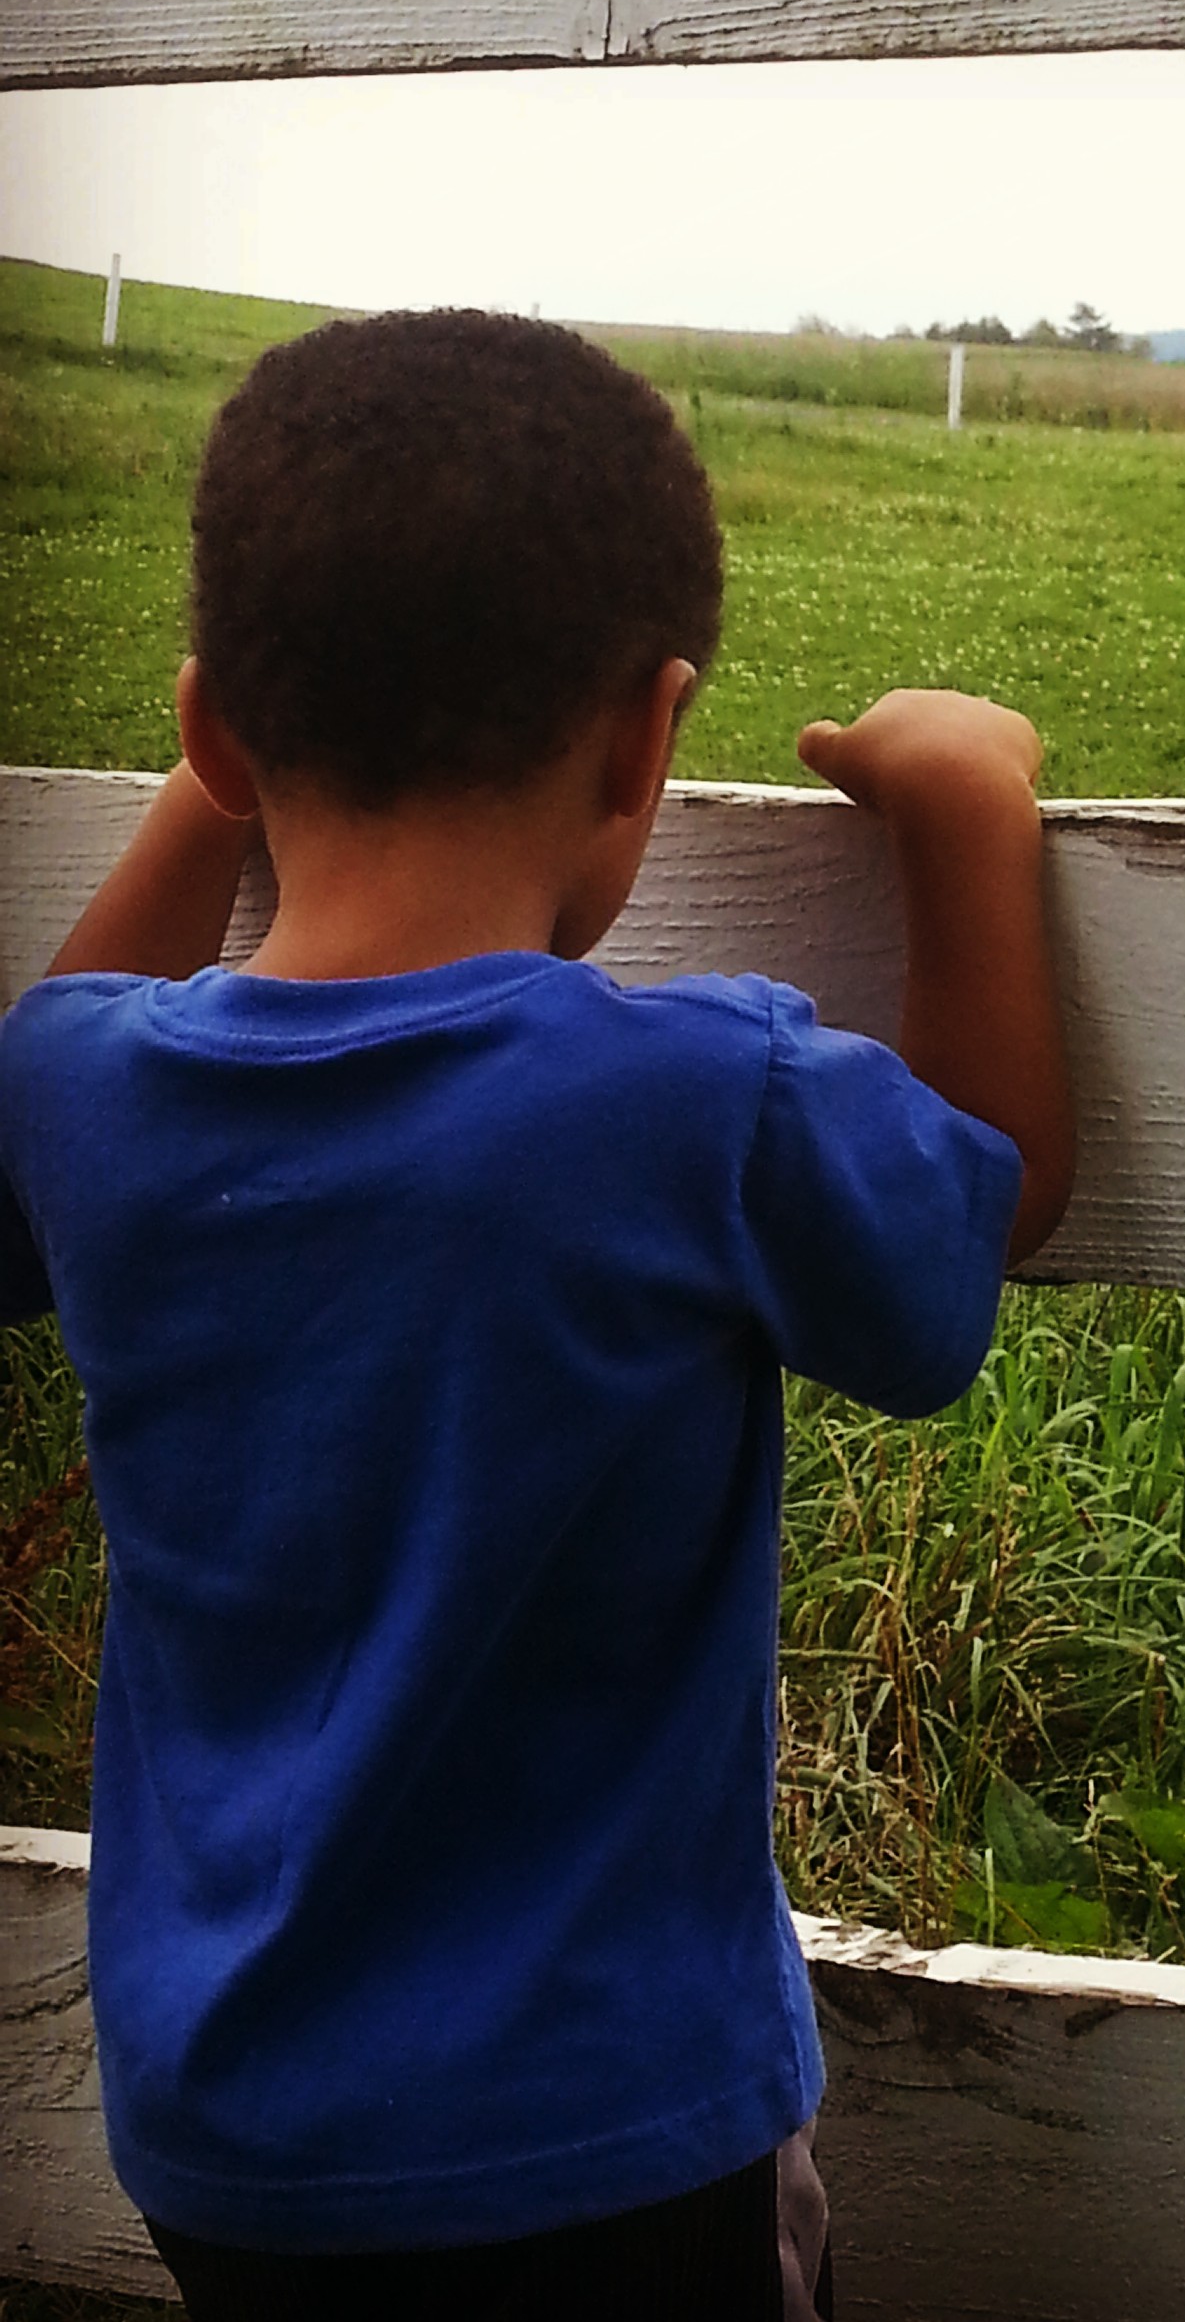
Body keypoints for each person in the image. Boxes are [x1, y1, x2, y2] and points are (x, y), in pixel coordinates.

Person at [0, 310, 1073, 2319]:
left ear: (217, 732)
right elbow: (977, 1216)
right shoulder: (698, 1102)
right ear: (649, 741)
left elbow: (55, 1062)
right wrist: (966, 818)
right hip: (608, 2139)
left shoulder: (78, 1091)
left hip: (227, 2141)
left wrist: (211, 801)